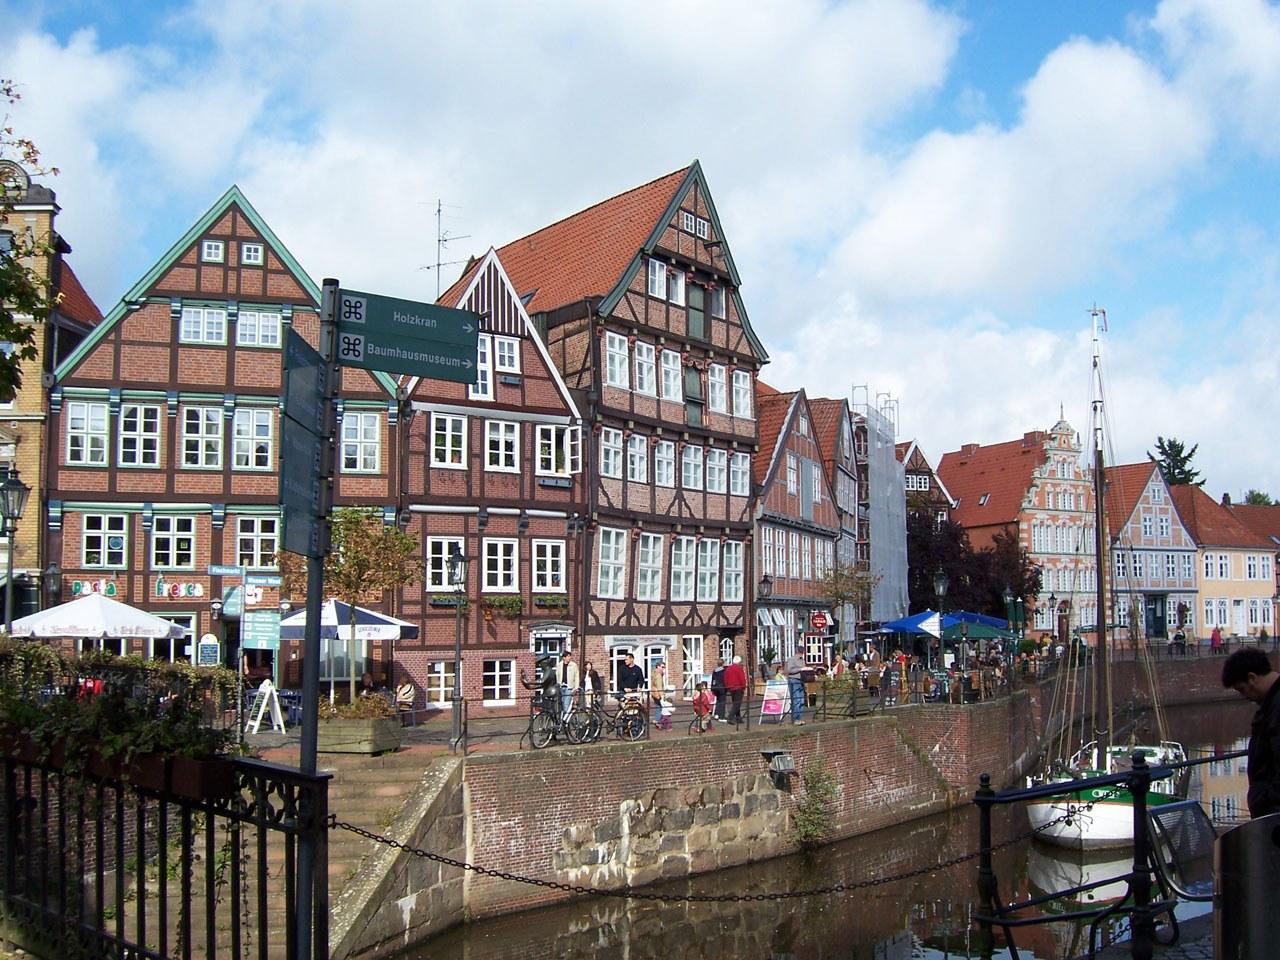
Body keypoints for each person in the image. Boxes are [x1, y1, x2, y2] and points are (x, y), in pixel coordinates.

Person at [1221, 648, 1280, 818]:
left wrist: (1268, 804)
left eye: (1241, 689)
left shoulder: (1275, 708)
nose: (1244, 696)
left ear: (1252, 678)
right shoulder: (1271, 705)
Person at [723, 655, 748, 725]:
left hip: (731, 688)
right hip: (738, 688)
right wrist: (744, 686)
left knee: (735, 703)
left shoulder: (728, 669)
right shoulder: (739, 669)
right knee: (737, 704)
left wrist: (727, 686)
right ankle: (730, 717)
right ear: (739, 662)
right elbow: (742, 679)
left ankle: (738, 717)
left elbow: (725, 678)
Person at [784, 652, 807, 725]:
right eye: (800, 653)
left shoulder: (802, 660)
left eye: (802, 652)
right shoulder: (792, 659)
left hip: (801, 681)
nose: (801, 654)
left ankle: (799, 719)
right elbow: (789, 670)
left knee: (801, 700)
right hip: (794, 680)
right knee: (796, 700)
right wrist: (800, 669)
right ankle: (795, 719)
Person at [651, 661, 671, 730]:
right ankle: (658, 721)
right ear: (658, 666)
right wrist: (662, 695)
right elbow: (659, 686)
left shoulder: (654, 673)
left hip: (654, 693)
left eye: (664, 667)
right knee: (661, 708)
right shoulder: (658, 675)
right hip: (658, 694)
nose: (663, 669)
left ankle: (658, 721)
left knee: (658, 707)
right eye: (662, 667)